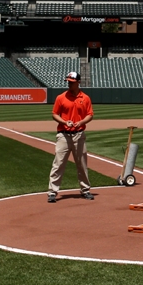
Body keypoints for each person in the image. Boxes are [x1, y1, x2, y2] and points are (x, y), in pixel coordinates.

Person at [47, 71, 94, 203]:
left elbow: (90, 114)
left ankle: (85, 190)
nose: (69, 84)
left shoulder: (85, 98)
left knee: (82, 164)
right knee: (58, 163)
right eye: (68, 81)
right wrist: (63, 121)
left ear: (78, 82)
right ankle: (52, 192)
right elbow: (54, 114)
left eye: (72, 82)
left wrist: (81, 122)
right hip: (63, 135)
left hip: (79, 135)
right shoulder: (61, 97)